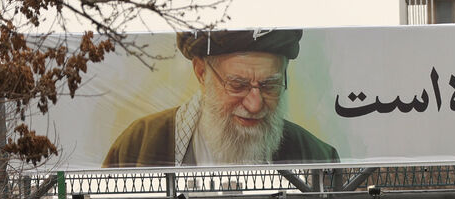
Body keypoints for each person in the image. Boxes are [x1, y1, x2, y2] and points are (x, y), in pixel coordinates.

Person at [103, 30, 339, 168]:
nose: (254, 105)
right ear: (201, 73)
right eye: (237, 85)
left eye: (270, 85)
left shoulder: (318, 157)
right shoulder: (138, 147)